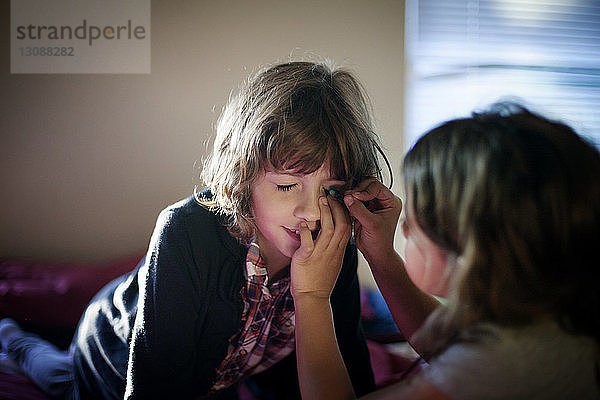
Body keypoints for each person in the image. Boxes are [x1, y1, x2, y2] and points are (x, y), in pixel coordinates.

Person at [0, 60, 390, 399]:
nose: (312, 213)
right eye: (287, 186)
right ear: (244, 177)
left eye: (331, 190)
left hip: (217, 378)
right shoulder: (185, 232)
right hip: (112, 358)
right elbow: (153, 387)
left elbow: (348, 367)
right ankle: (14, 339)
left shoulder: (335, 243)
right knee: (57, 377)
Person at [290, 102, 600, 399]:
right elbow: (447, 347)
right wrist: (381, 255)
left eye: (415, 220)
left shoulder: (506, 364)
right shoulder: (550, 325)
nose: (405, 228)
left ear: (471, 251)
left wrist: (311, 296)